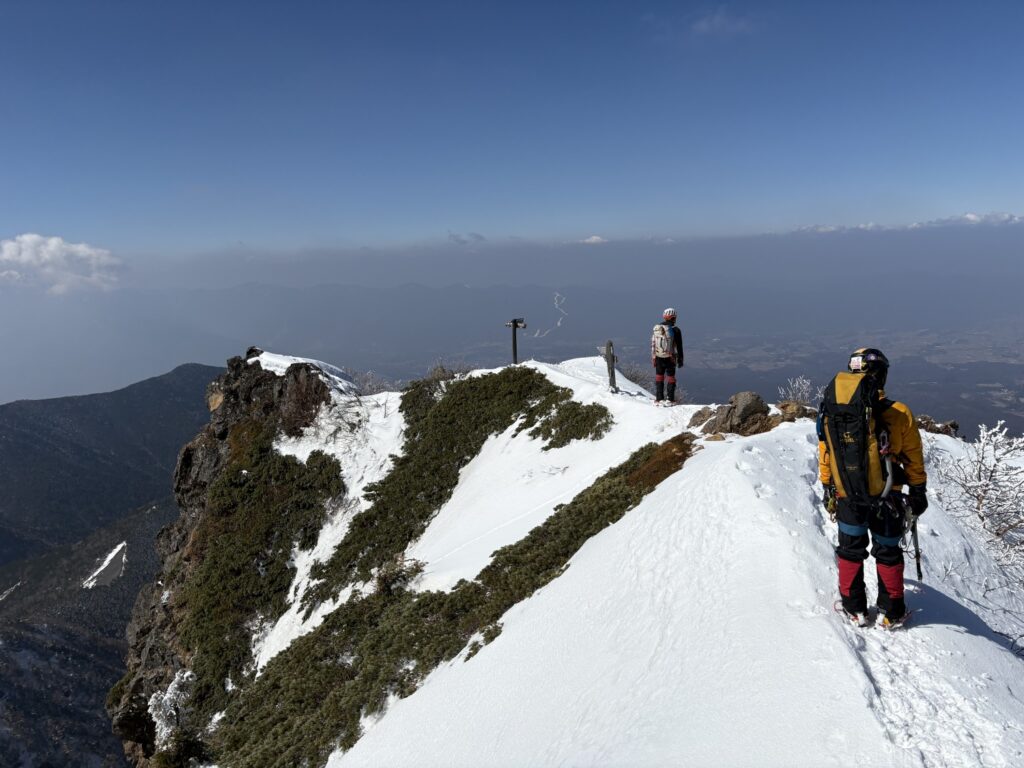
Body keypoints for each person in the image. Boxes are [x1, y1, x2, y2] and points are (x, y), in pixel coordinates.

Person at [818, 348, 928, 627]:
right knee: (888, 551)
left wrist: (829, 486)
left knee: (850, 550)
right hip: (887, 497)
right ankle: (892, 611)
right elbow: (913, 456)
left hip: (848, 495)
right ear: (882, 375)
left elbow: (827, 453)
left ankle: (853, 607)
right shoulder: (898, 413)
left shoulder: (833, 411)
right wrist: (918, 490)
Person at [650, 308, 684, 404]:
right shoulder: (676, 330)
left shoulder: (657, 329)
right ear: (674, 318)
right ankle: (670, 399)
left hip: (658, 357)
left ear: (664, 317)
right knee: (671, 377)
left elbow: (653, 343)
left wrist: (653, 357)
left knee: (659, 377)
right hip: (670, 357)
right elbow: (679, 346)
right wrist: (680, 359)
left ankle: (659, 398)